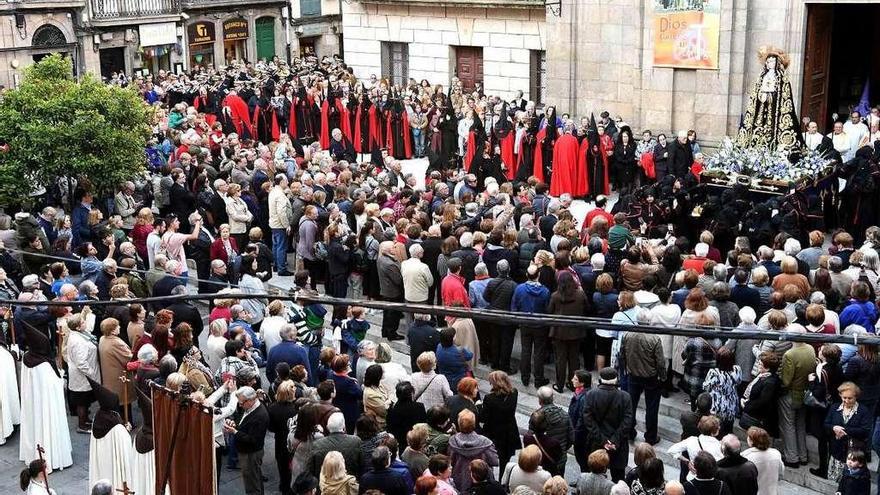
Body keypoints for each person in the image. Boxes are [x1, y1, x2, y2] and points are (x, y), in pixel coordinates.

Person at [621, 307, 665, 445]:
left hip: (633, 375)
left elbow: (622, 354)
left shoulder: (628, 335)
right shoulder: (654, 338)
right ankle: (651, 436)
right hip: (651, 377)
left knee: (631, 406)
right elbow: (660, 362)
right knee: (651, 408)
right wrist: (663, 377)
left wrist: (625, 369)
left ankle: (629, 432)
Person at [583, 367, 633, 482]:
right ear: (616, 380)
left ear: (601, 379)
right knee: (618, 478)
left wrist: (603, 441)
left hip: (597, 442)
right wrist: (614, 441)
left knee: (595, 476)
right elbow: (627, 422)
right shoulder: (625, 397)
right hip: (618, 445)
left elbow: (588, 420)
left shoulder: (591, 395)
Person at [778, 325, 816, 468]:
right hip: (805, 393)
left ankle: (792, 458)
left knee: (788, 425)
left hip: (791, 394)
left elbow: (786, 381)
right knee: (801, 425)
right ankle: (803, 456)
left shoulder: (790, 354)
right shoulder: (810, 349)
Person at [86, 378, 133, 491]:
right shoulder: (116, 426)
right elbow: (125, 447)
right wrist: (126, 430)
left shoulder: (97, 416)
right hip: (113, 463)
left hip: (101, 461)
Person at [224, 386, 269, 495]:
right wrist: (236, 425)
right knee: (255, 480)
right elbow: (243, 420)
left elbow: (253, 440)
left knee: (252, 484)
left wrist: (234, 432)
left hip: (250, 454)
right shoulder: (249, 408)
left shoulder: (260, 416)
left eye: (241, 403)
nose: (239, 405)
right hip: (248, 452)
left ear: (251, 400)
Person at [548, 271, 589, 392]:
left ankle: (559, 385)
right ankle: (573, 384)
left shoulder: (555, 296)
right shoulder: (580, 294)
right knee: (574, 359)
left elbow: (549, 311)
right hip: (576, 331)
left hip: (559, 332)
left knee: (560, 360)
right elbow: (587, 308)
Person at [825, 382, 872, 483]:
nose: (846, 401)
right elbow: (826, 424)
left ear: (856, 397)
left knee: (850, 484)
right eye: (844, 397)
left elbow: (865, 431)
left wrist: (844, 431)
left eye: (849, 398)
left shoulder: (863, 411)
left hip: (853, 455)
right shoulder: (834, 407)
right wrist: (833, 428)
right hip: (836, 452)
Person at [448, 409, 499, 492]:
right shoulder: (485, 442)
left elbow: (450, 461)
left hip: (459, 482)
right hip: (482, 483)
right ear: (474, 423)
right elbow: (495, 461)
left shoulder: (453, 441)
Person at [307, 412, 363, 478]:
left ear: (327, 427)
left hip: (325, 485)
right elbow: (362, 465)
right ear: (344, 427)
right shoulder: (356, 441)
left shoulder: (317, 444)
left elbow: (310, 469)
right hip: (348, 484)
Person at [268, 382, 299, 495]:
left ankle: (284, 486)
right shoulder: (296, 409)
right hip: (294, 442)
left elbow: (271, 427)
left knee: (282, 466)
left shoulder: (272, 408)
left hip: (280, 441)